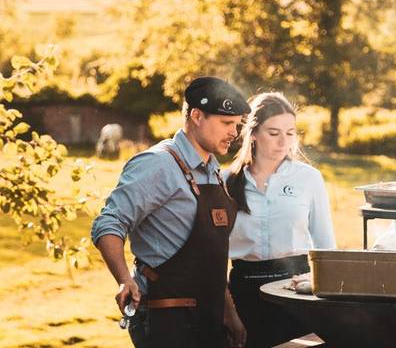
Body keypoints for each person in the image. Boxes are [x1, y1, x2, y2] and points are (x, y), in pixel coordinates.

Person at [91, 76, 250, 348]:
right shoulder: (158, 164)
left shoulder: (213, 169)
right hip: (165, 314)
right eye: (226, 123)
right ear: (197, 116)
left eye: (237, 125)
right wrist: (124, 280)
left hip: (208, 313)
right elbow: (109, 223)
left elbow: (211, 255)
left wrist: (230, 313)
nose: (235, 133)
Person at [224, 92, 336, 348]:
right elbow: (216, 252)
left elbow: (326, 245)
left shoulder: (309, 178)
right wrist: (226, 310)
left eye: (290, 133)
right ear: (252, 133)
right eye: (273, 133)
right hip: (244, 294)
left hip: (295, 290)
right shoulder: (226, 181)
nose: (283, 141)